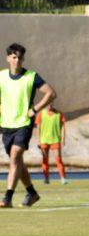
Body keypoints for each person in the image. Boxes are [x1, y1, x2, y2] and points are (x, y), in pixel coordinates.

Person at [1, 43, 56, 208]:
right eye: (14, 57)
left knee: (16, 155)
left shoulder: (32, 76)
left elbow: (51, 93)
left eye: (20, 57)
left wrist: (35, 109)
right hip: (7, 124)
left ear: (23, 59)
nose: (17, 60)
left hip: (24, 123)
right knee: (16, 162)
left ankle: (7, 198)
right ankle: (32, 193)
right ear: (8, 58)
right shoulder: (1, 76)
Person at [36, 104, 68, 185]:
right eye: (48, 103)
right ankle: (46, 178)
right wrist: (38, 140)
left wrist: (63, 138)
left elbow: (63, 126)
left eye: (51, 103)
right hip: (44, 140)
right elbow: (38, 127)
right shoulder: (41, 114)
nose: (49, 105)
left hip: (55, 140)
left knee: (58, 159)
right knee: (45, 160)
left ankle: (63, 178)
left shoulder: (59, 114)